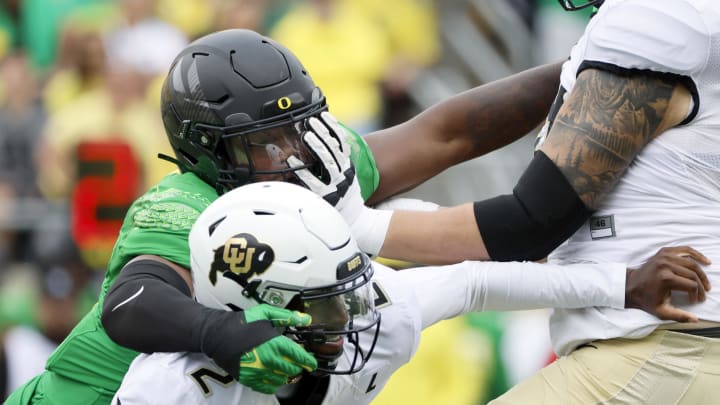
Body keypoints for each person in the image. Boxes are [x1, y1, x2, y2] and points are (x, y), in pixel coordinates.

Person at [4, 28, 566, 404]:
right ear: (208, 150)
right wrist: (223, 334)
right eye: (267, 142)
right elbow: (132, 302)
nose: (295, 154)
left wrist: (582, 72)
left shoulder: (303, 163)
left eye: (299, 127)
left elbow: (447, 133)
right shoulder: (182, 203)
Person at [296, 0, 720, 402]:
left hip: (662, 350)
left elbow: (532, 221)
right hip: (670, 348)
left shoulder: (656, 20)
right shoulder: (664, 31)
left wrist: (358, 226)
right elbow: (496, 267)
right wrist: (619, 284)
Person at [112, 181, 710, 405]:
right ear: (251, 301)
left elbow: (474, 281)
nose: (348, 318)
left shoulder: (377, 322)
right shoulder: (171, 389)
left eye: (347, 293)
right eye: (324, 302)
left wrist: (621, 286)